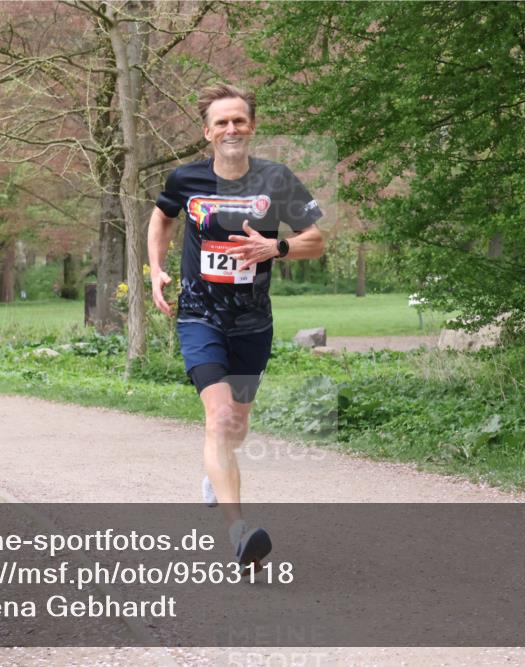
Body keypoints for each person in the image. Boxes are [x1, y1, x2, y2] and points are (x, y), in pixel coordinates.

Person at [146, 83, 325, 568]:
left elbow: (316, 239)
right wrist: (156, 268)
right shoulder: (186, 178)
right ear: (207, 132)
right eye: (221, 122)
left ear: (251, 127)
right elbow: (160, 219)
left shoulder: (276, 179)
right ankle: (239, 533)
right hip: (199, 315)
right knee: (220, 418)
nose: (231, 129)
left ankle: (215, 472)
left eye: (239, 120)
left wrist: (278, 247)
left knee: (238, 425)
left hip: (252, 322)